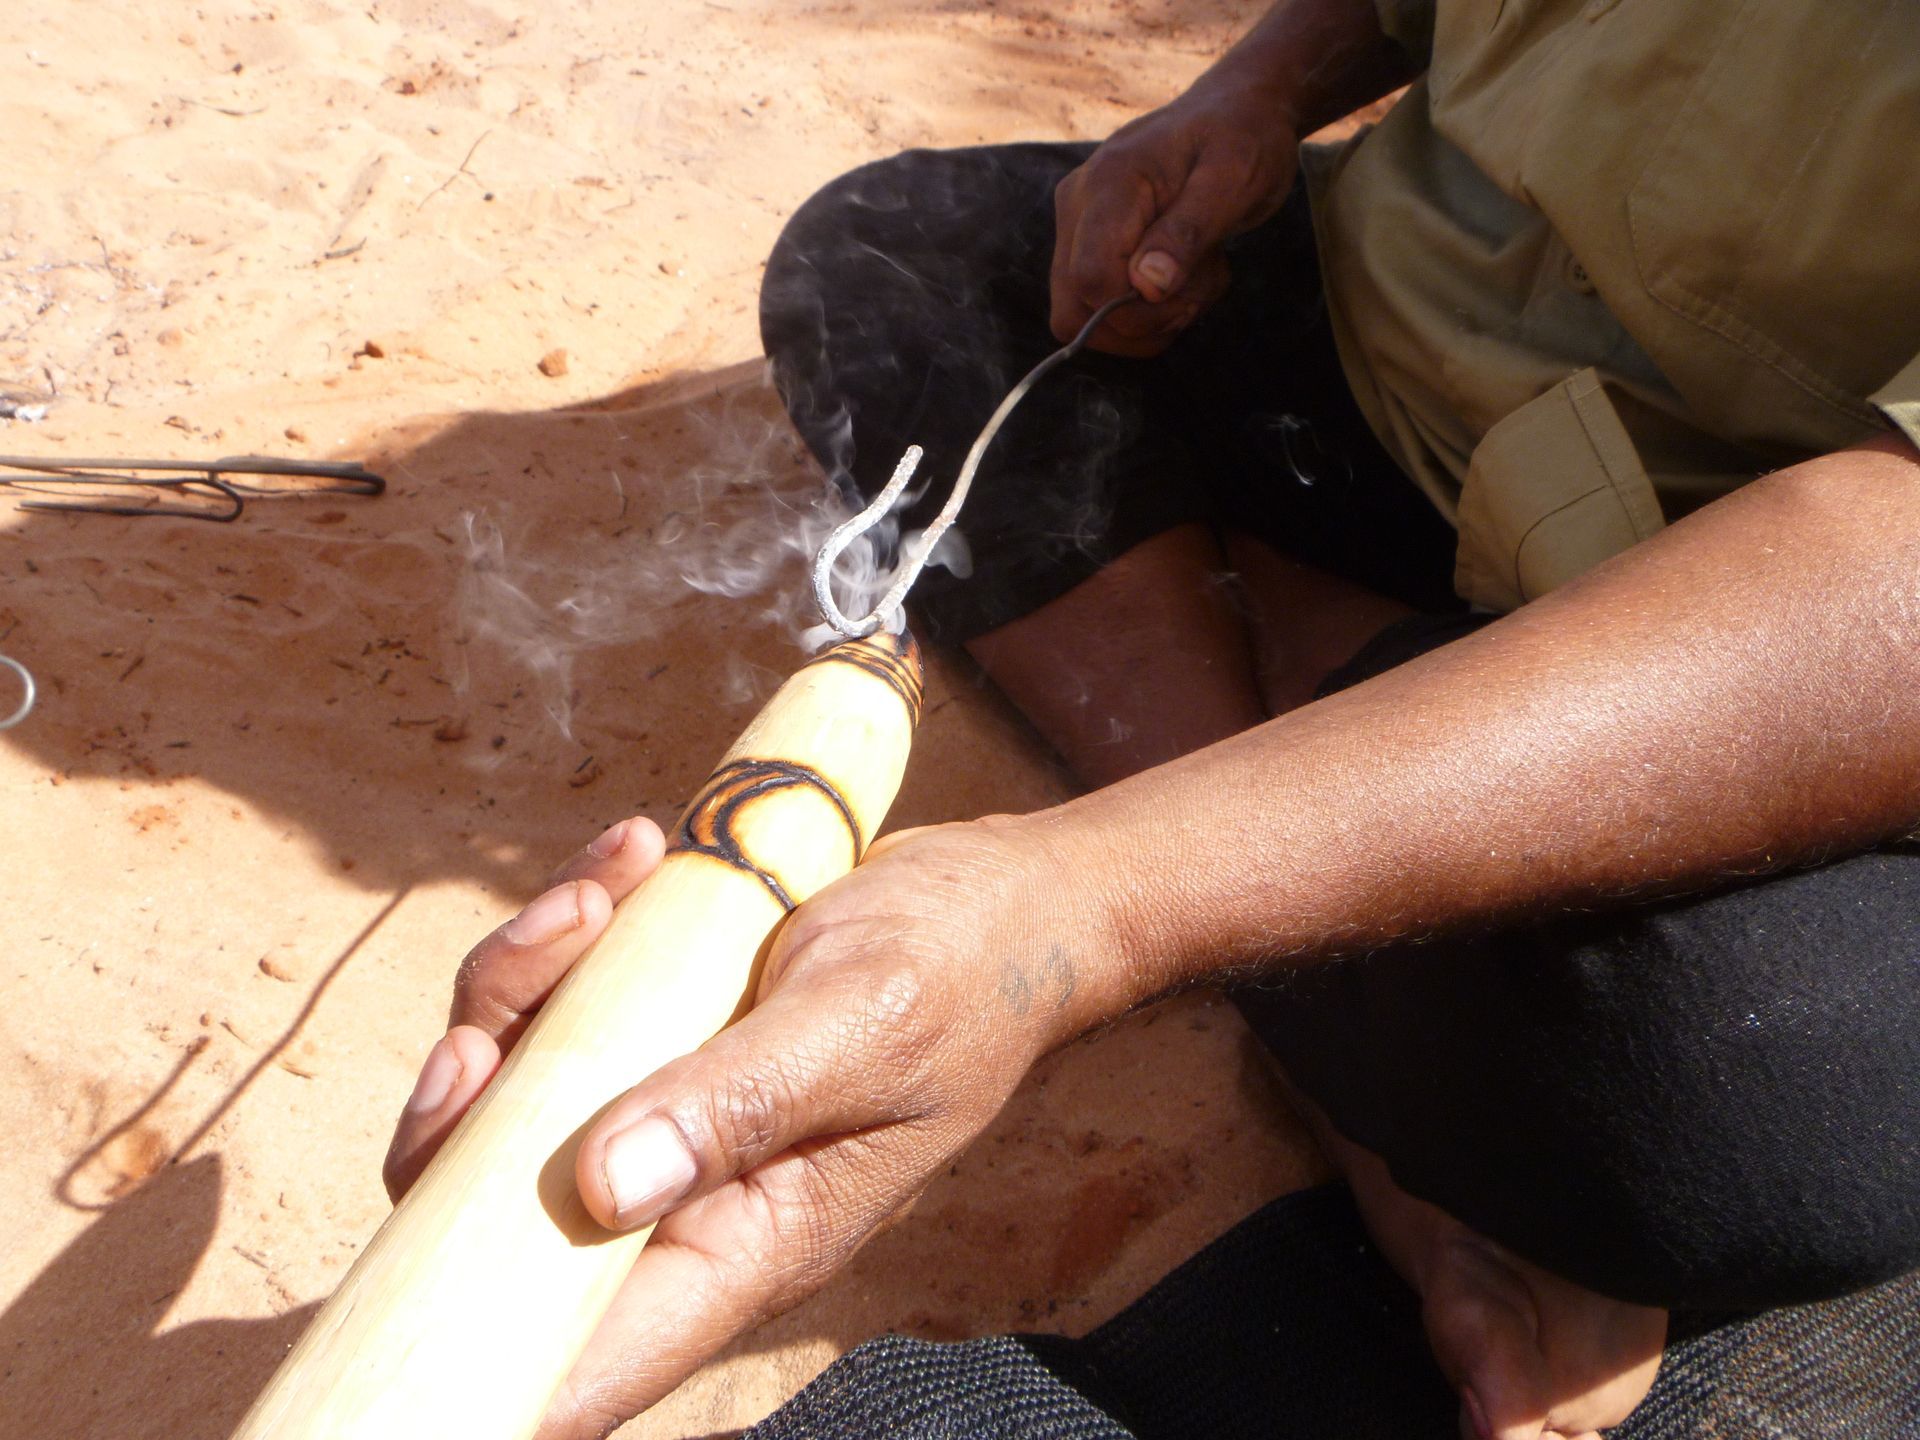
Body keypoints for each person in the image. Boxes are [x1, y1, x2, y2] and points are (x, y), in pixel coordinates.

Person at [384, 2, 1920, 1436]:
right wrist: (1250, 93)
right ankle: (1324, 808)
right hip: (1377, 349)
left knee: (1719, 1092)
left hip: (1735, 596)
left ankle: (1275, 631)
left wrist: (1081, 907)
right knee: (896, 262)